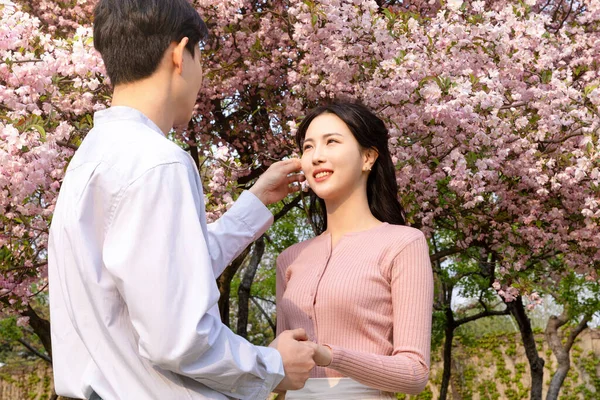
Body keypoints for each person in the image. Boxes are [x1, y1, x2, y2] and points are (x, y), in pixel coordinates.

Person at [48, 0, 316, 399]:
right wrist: (272, 365)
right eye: (201, 58)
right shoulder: (159, 162)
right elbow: (177, 338)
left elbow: (163, 278)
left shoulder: (91, 157)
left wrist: (255, 200)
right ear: (180, 54)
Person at [276, 101, 434, 399]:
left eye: (331, 142)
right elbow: (283, 372)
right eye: (308, 147)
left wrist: (328, 355)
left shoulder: (403, 244)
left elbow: (414, 373)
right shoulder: (289, 258)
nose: (316, 156)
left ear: (368, 157)